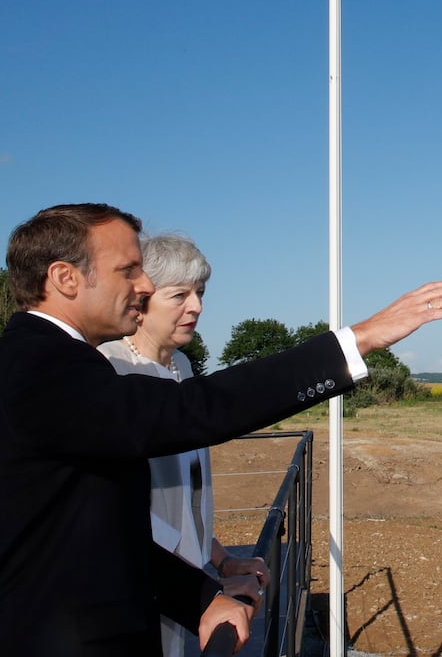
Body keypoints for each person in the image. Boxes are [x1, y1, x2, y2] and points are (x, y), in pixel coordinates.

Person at [0, 203, 442, 657]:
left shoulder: (49, 361)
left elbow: (97, 539)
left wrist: (204, 597)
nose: (145, 285)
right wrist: (360, 339)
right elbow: (195, 409)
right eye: (128, 270)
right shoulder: (41, 368)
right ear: (66, 278)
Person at [98, 233, 266, 657]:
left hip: (182, 581)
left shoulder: (182, 367)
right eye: (180, 295)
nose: (197, 307)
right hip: (135, 587)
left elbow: (185, 498)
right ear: (142, 299)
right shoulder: (108, 370)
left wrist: (222, 560)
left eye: (200, 293)